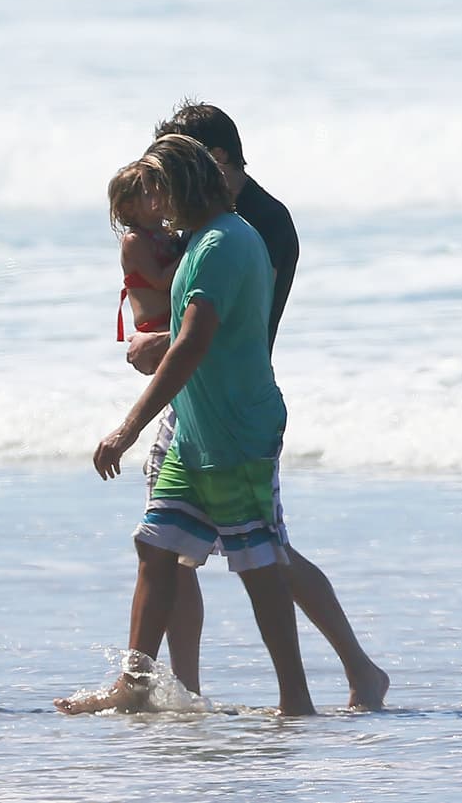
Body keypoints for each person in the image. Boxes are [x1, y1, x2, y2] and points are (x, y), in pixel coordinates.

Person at [128, 102, 388, 709]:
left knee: (266, 552)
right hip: (191, 398)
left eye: (178, 168)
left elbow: (233, 321)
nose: (164, 190)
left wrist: (159, 342)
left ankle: (358, 669)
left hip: (235, 405)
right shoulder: (193, 216)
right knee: (167, 546)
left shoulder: (260, 224)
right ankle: (184, 690)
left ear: (215, 161)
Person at [56, 134, 315, 716]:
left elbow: (193, 343)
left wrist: (128, 429)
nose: (152, 199)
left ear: (184, 184)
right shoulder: (203, 238)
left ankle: (296, 699)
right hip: (197, 430)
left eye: (157, 186)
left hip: (235, 427)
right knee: (156, 546)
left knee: (258, 561)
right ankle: (136, 685)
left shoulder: (222, 242)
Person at [111, 162, 181, 342]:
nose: (160, 195)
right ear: (129, 207)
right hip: (154, 326)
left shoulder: (169, 233)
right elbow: (160, 281)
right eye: (149, 193)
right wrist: (190, 254)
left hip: (174, 317)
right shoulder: (134, 241)